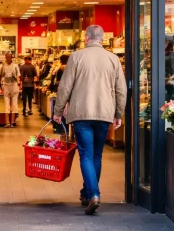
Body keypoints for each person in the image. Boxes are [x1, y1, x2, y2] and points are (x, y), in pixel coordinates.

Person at [53, 25, 127, 215]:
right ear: (102, 39)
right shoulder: (113, 59)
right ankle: (87, 193)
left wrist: (58, 110)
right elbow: (121, 90)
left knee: (86, 154)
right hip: (104, 113)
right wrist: (119, 113)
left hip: (82, 113)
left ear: (86, 38)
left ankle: (93, 193)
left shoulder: (76, 57)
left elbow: (65, 87)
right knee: (96, 155)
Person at [0, 52, 20, 128]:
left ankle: (12, 122)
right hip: (6, 86)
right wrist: (0, 83)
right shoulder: (2, 66)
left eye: (10, 57)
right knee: (6, 104)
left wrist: (19, 83)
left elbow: (18, 76)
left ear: (11, 57)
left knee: (14, 104)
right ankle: (7, 122)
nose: (8, 58)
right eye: (7, 57)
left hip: (14, 86)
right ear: (5, 57)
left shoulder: (15, 66)